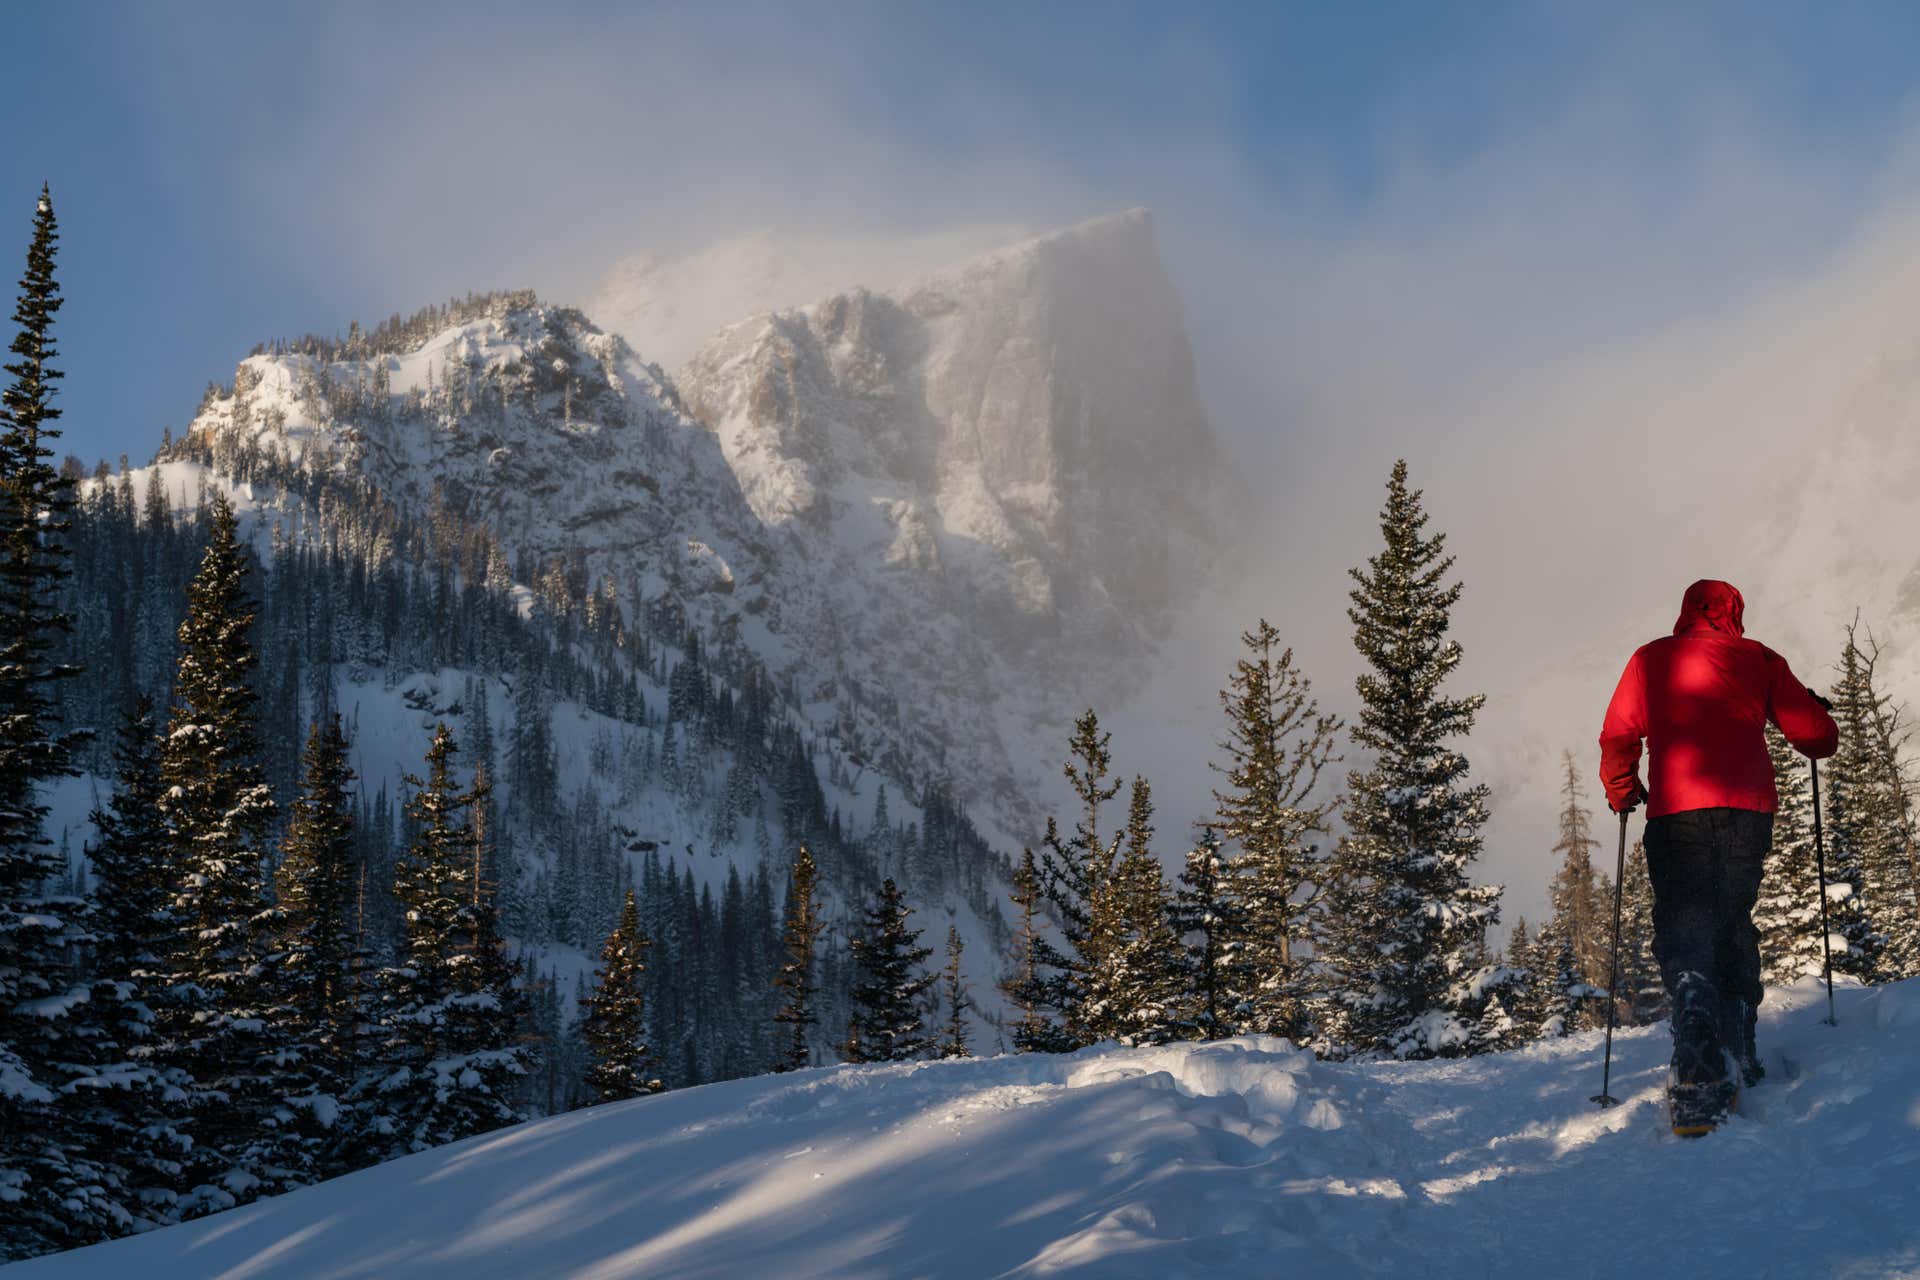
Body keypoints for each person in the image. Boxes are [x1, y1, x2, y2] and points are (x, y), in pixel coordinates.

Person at [1598, 579, 1837, 1127]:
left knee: (1686, 927)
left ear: (1685, 612)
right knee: (1732, 918)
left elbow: (1618, 734)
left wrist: (1621, 788)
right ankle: (1740, 1042)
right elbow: (1815, 736)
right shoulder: (1759, 660)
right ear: (1736, 614)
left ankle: (1699, 1054)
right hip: (1747, 812)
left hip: (1677, 813)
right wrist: (1820, 718)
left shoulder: (1651, 659)